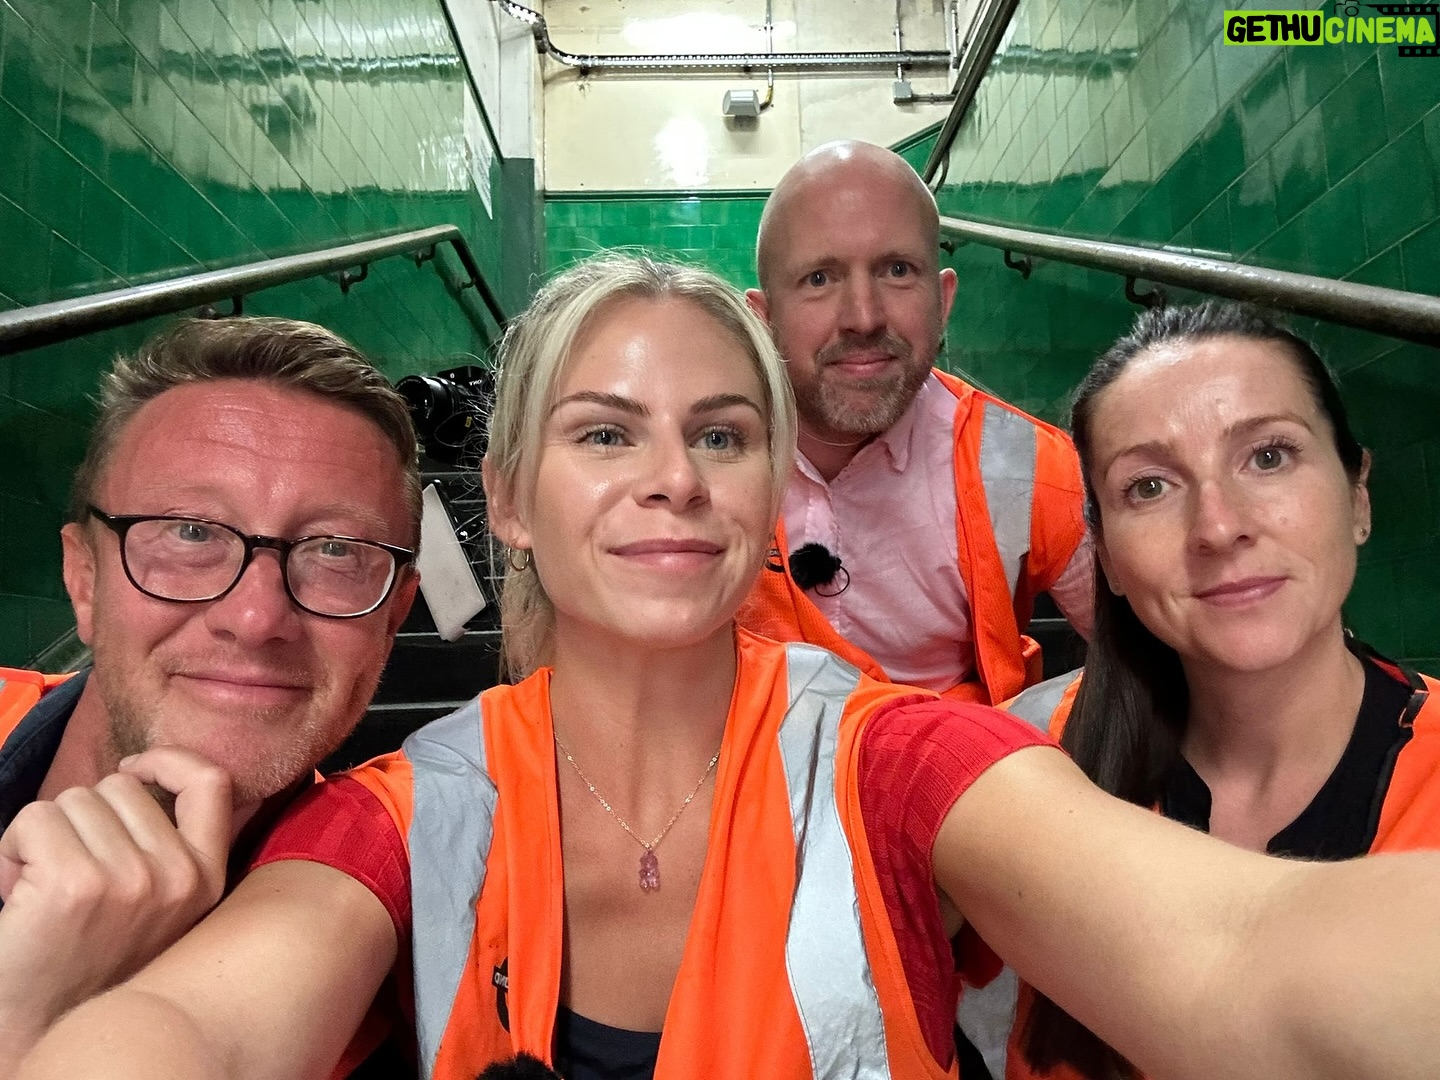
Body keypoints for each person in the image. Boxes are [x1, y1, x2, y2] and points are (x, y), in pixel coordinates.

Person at [19, 256, 1440, 1080]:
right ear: (505, 498)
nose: (674, 481)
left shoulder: (898, 757)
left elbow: (1241, 957)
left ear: (768, 497)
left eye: (720, 434)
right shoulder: (400, 811)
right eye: (604, 434)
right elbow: (198, 1033)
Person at [993, 302, 1440, 1080]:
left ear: (1358, 496)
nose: (1219, 526)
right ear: (1107, 559)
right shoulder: (1027, 767)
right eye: (1150, 486)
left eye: (1268, 456)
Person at [0, 317, 421, 1070]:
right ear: (84, 580)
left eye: (335, 550)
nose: (256, 619)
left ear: (392, 619)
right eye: (191, 532)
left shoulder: (392, 971)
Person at [738, 140, 1093, 706]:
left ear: (942, 300)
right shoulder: (703, 462)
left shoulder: (1023, 465)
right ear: (764, 318)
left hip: (964, 756)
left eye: (897, 271)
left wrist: (1032, 734)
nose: (863, 317)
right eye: (819, 279)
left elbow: (1162, 658)